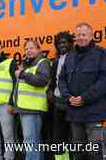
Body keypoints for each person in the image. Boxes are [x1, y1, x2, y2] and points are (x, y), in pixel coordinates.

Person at [59, 23, 106, 160]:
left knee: (95, 152)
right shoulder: (70, 56)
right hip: (75, 113)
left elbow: (104, 82)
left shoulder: (101, 54)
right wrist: (68, 97)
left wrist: (84, 98)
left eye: (84, 34)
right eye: (78, 35)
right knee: (78, 151)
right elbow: (61, 80)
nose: (81, 38)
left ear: (91, 36)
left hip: (95, 113)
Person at [13, 40, 51, 160]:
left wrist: (23, 74)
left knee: (30, 141)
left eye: (31, 48)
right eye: (26, 49)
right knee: (34, 140)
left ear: (38, 49)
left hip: (33, 109)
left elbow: (42, 80)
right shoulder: (26, 65)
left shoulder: (43, 62)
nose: (28, 51)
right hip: (25, 109)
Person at [47, 32, 74, 160]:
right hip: (57, 104)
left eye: (64, 42)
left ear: (70, 43)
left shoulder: (76, 58)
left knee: (73, 137)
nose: (62, 45)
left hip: (72, 103)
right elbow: (52, 81)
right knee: (58, 137)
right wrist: (50, 91)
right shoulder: (56, 61)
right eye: (59, 43)